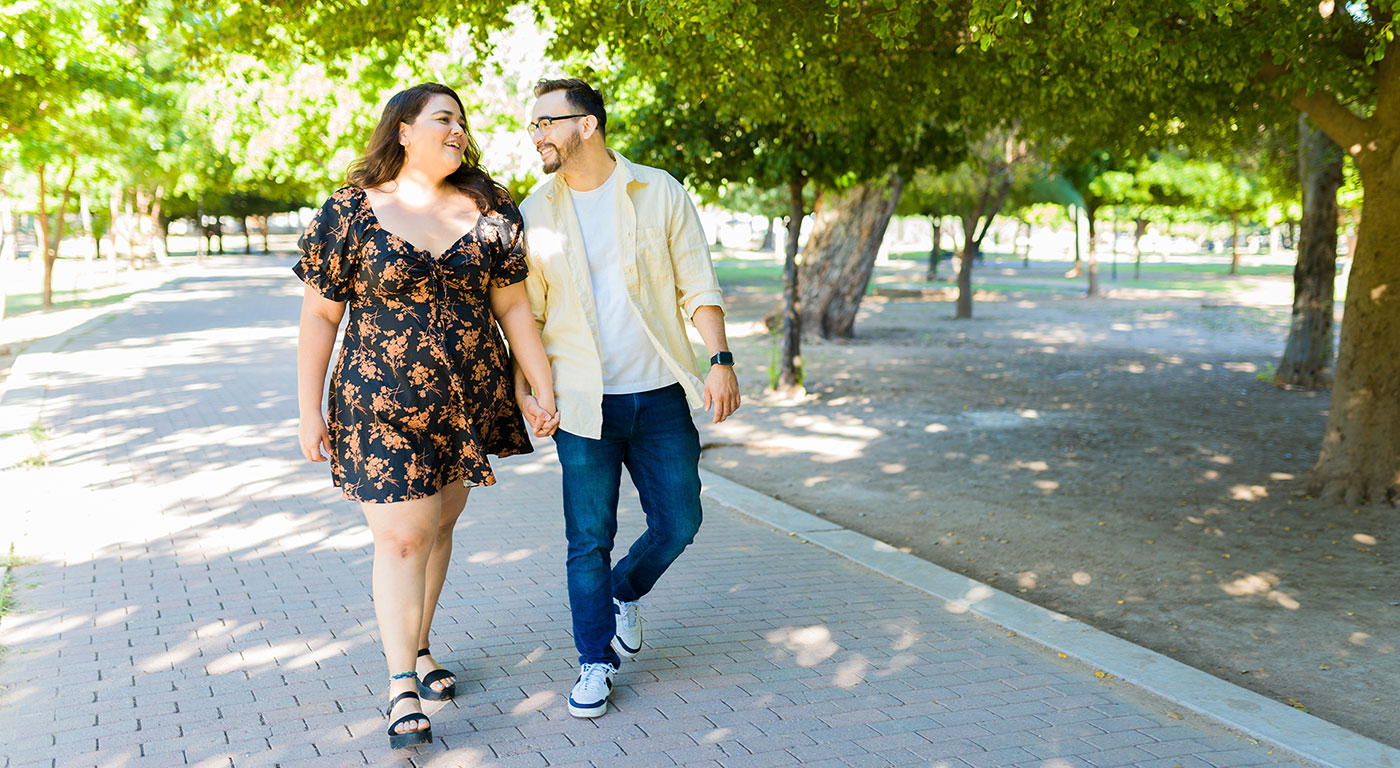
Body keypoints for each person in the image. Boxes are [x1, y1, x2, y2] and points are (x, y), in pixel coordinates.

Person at [294, 82, 559, 749]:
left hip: (467, 400)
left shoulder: (491, 207)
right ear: (404, 130)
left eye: (462, 121)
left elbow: (513, 307)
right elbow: (320, 317)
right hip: (377, 403)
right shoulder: (350, 210)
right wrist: (307, 410)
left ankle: (418, 644)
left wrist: (540, 385)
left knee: (439, 526)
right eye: (443, 119)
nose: (457, 130)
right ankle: (400, 686)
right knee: (404, 537)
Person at [514, 77, 740, 719]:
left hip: (660, 395)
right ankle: (594, 660)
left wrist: (720, 360)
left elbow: (698, 282)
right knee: (588, 539)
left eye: (547, 122)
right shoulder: (535, 211)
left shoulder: (657, 190)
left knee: (680, 522)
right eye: (533, 125)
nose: (537, 136)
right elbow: (527, 315)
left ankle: (623, 593)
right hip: (583, 404)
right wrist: (526, 390)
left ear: (586, 124)